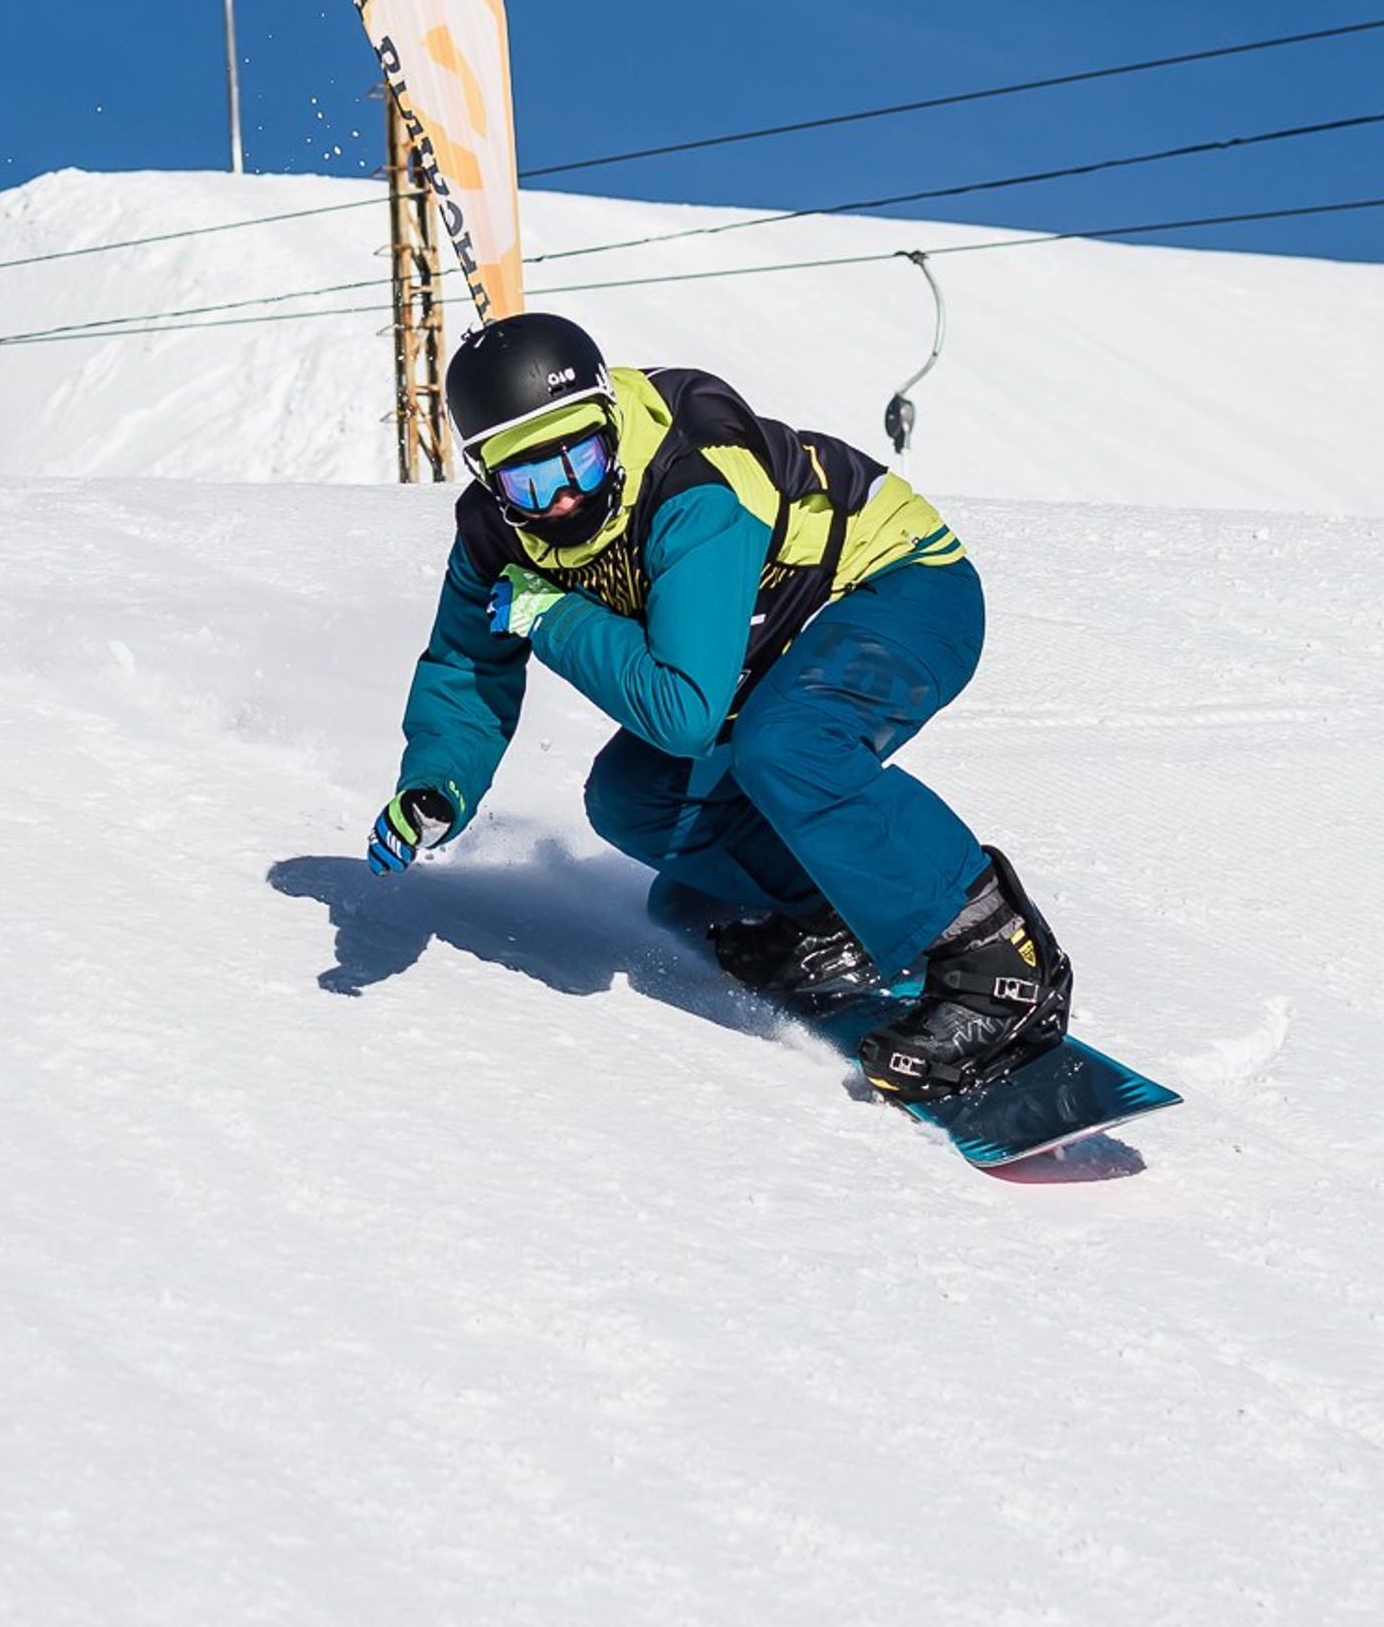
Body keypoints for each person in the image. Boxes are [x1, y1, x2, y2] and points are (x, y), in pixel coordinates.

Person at [363, 310, 1072, 1098]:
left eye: (584, 460)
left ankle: (997, 960)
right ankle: (828, 914)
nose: (564, 498)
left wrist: (551, 615)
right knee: (634, 797)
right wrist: (438, 784)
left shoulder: (694, 478)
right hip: (767, 642)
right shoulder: (496, 534)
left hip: (900, 587)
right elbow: (466, 665)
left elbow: (686, 712)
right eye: (530, 479)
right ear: (489, 479)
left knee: (790, 743)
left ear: (609, 421)